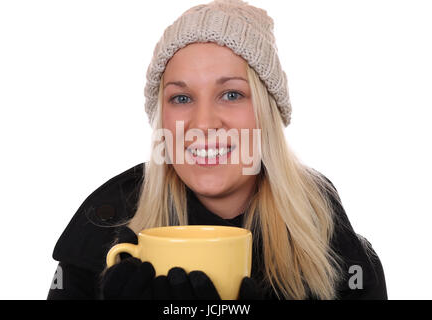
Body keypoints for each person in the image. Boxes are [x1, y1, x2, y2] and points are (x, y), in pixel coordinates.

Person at [47, 0, 387, 300]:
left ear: (267, 114)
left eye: (231, 94)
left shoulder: (336, 248)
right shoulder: (101, 232)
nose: (203, 124)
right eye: (181, 98)